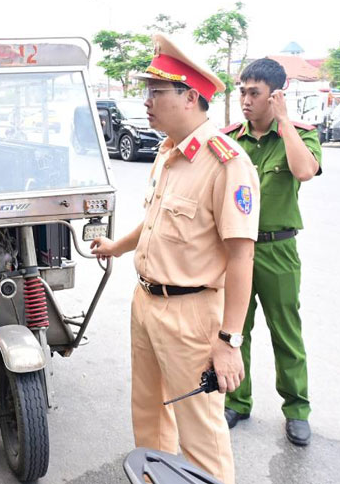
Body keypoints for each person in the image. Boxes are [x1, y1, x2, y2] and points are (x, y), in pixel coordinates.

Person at [90, 34, 260, 484]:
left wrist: (229, 341)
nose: (146, 101)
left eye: (156, 91)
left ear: (189, 97)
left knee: (201, 436)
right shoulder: (167, 153)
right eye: (147, 91)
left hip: (192, 315)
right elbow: (154, 222)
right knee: (149, 416)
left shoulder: (227, 163)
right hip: (146, 303)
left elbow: (242, 256)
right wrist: (117, 247)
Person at [222, 58, 322, 446]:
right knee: (235, 331)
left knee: (286, 333)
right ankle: (237, 401)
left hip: (278, 249)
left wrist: (284, 122)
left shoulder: (299, 136)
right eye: (242, 92)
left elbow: (304, 171)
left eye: (255, 93)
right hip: (236, 250)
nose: (246, 100)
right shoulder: (231, 139)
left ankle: (297, 410)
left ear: (275, 95)